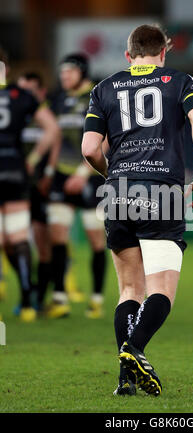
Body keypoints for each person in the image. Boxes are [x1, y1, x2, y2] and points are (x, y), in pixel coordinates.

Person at [82, 24, 193, 396]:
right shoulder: (181, 80)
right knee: (161, 289)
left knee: (128, 289)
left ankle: (125, 379)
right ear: (163, 53)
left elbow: (90, 149)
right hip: (163, 192)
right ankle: (133, 350)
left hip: (118, 192)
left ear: (129, 55)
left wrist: (116, 176)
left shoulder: (104, 87)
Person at [0, 47, 61, 322]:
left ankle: (27, 293)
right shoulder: (21, 96)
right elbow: (52, 128)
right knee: (18, 236)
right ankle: (27, 300)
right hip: (14, 168)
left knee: (5, 241)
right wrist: (34, 157)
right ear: (7, 68)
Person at [46, 54, 107, 319]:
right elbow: (55, 136)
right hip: (61, 175)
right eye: (62, 73)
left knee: (96, 240)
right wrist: (50, 169)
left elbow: (106, 139)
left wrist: (83, 172)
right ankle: (59, 298)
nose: (64, 77)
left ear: (82, 72)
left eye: (69, 72)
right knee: (57, 237)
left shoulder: (98, 96)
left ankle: (96, 299)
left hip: (91, 178)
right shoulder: (59, 100)